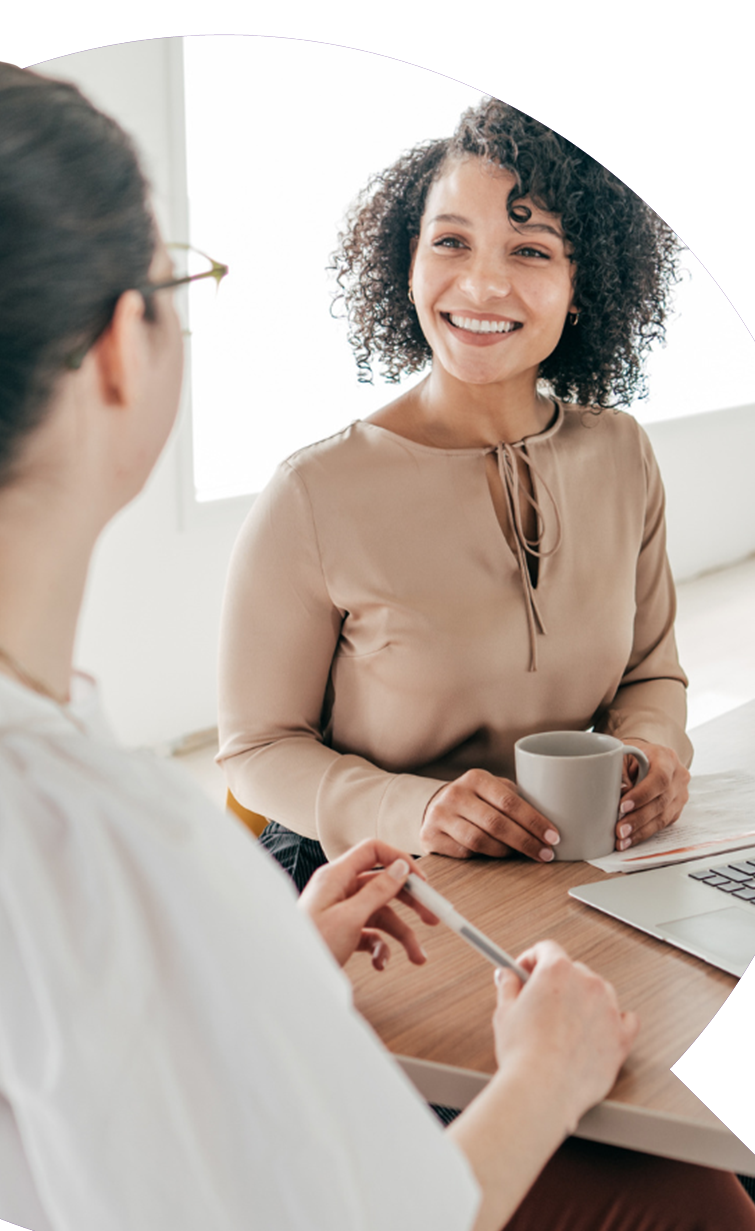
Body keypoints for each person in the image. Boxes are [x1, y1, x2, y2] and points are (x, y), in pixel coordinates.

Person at [0, 54, 755, 1231]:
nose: (485, 279)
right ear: (125, 347)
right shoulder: (114, 833)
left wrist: (268, 959)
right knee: (704, 1215)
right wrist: (552, 1069)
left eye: (532, 250)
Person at [218, 100, 694, 889]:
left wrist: (654, 753)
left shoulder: (621, 455)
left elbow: (650, 673)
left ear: (583, 285)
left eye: (531, 250)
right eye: (450, 242)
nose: (482, 283)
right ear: (409, 265)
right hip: (359, 879)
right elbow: (256, 752)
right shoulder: (313, 492)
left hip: (558, 865)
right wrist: (418, 809)